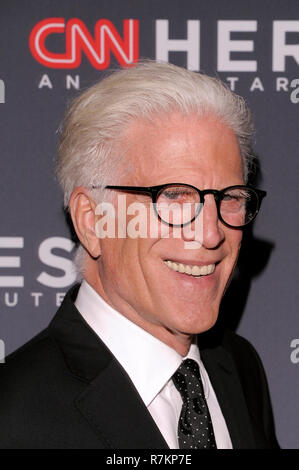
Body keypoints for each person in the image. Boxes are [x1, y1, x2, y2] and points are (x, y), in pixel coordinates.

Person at [0, 61, 278, 449]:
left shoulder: (237, 366)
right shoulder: (12, 416)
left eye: (230, 198)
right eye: (175, 196)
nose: (213, 233)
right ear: (93, 220)